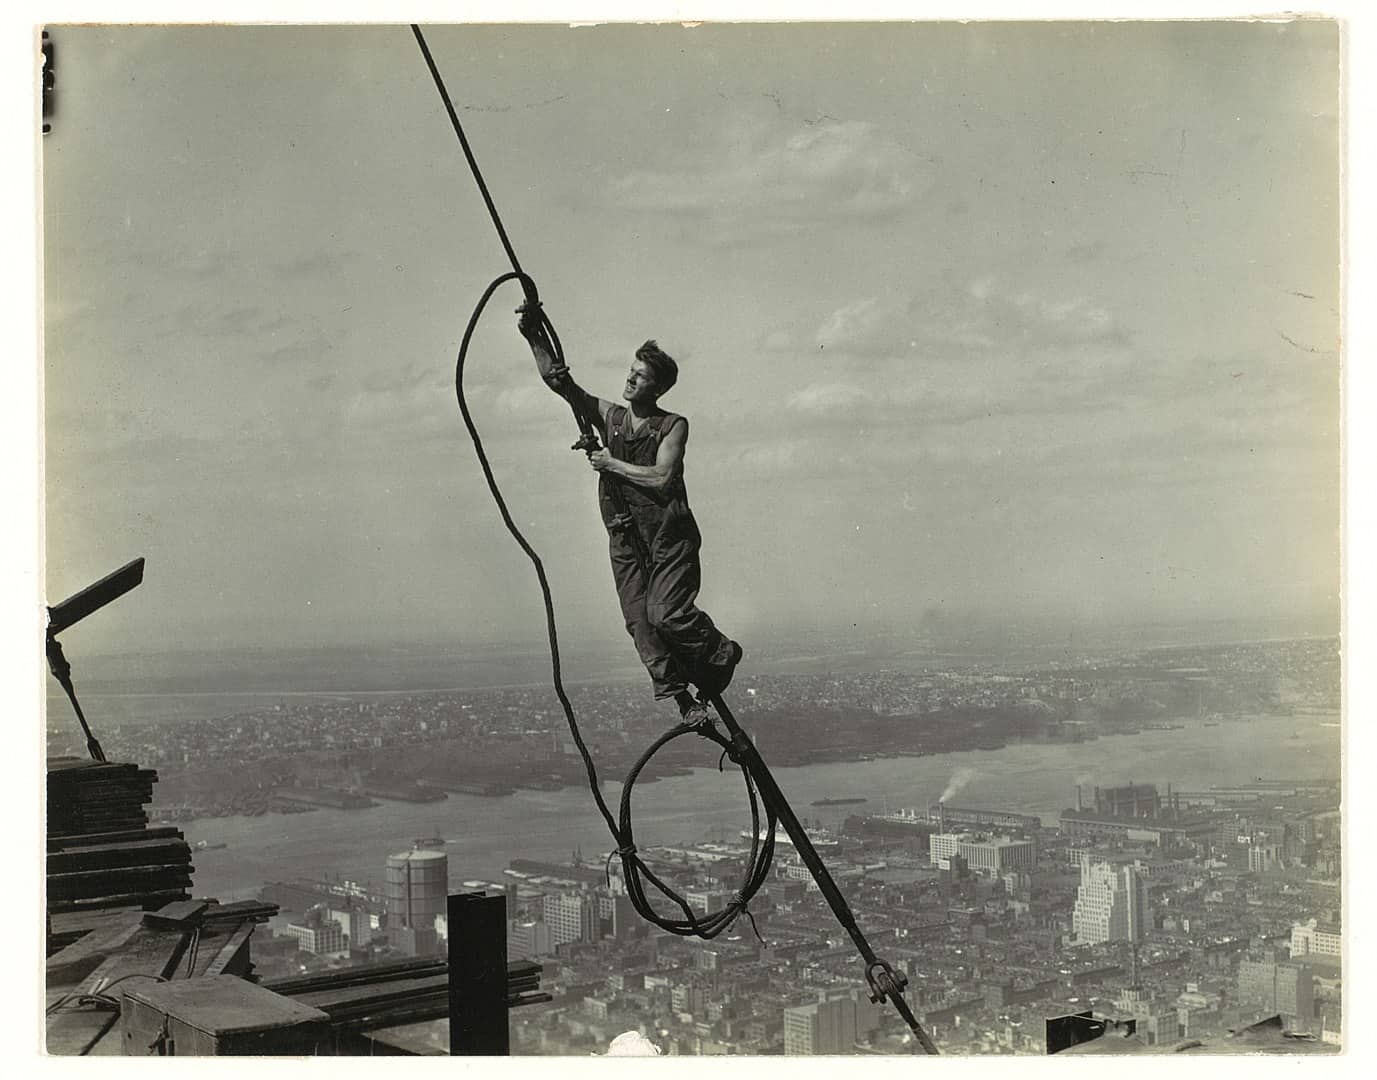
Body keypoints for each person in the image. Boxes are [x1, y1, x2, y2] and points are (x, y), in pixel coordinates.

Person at [518, 303, 742, 725]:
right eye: (631, 370)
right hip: (624, 534)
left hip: (668, 537)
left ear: (657, 388)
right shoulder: (612, 418)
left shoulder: (672, 425)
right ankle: (685, 704)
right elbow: (561, 384)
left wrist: (610, 463)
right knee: (640, 622)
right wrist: (533, 334)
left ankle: (720, 653)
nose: (630, 378)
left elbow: (662, 477)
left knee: (667, 615)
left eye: (641, 375)